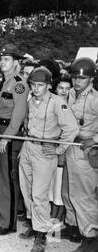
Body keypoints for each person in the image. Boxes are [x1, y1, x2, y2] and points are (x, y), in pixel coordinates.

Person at [18, 67, 79, 252]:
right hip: (28, 146)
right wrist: (24, 147)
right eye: (33, 85)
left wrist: (58, 148)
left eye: (40, 85)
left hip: (45, 153)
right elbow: (28, 124)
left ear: (49, 85)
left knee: (39, 194)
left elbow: (72, 129)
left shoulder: (57, 102)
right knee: (26, 189)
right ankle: (35, 224)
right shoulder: (31, 100)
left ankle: (41, 234)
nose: (36, 88)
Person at [0, 44, 29, 236]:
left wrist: (6, 138)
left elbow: (18, 116)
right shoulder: (2, 81)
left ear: (16, 63)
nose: (1, 62)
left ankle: (8, 223)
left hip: (9, 133)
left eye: (6, 59)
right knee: (0, 175)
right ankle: (1, 213)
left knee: (8, 178)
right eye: (1, 59)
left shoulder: (19, 83)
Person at [63, 57, 98, 252]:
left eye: (81, 79)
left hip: (84, 153)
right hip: (69, 148)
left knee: (84, 197)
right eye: (74, 77)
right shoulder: (69, 94)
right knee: (68, 193)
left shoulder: (95, 99)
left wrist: (94, 139)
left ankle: (91, 241)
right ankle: (75, 229)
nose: (77, 82)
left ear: (91, 79)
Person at [49, 76, 73, 224]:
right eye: (60, 88)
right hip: (49, 149)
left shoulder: (69, 105)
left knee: (59, 187)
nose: (64, 91)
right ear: (55, 88)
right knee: (49, 186)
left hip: (63, 150)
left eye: (67, 88)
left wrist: (60, 148)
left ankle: (56, 221)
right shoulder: (50, 102)